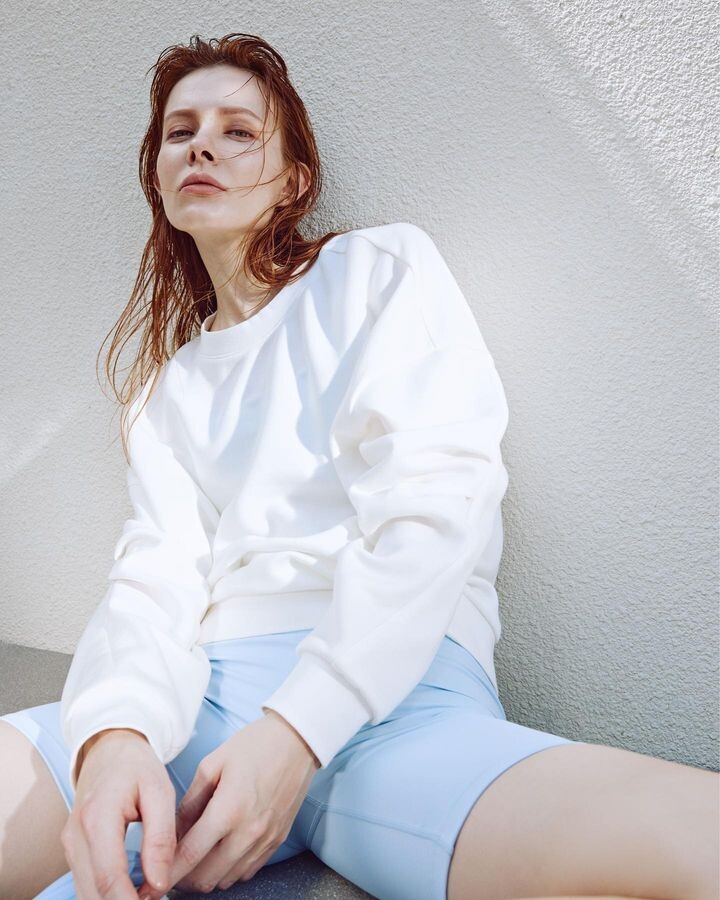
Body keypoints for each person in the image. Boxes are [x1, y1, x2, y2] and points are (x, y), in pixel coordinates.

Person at [1, 31, 717, 900]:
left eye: (238, 131)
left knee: (697, 844)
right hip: (198, 704)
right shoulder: (166, 387)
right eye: (180, 131)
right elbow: (154, 577)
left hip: (399, 706)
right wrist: (115, 738)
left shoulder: (374, 272)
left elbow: (438, 500)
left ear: (295, 181)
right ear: (157, 172)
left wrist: (298, 731)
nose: (201, 146)